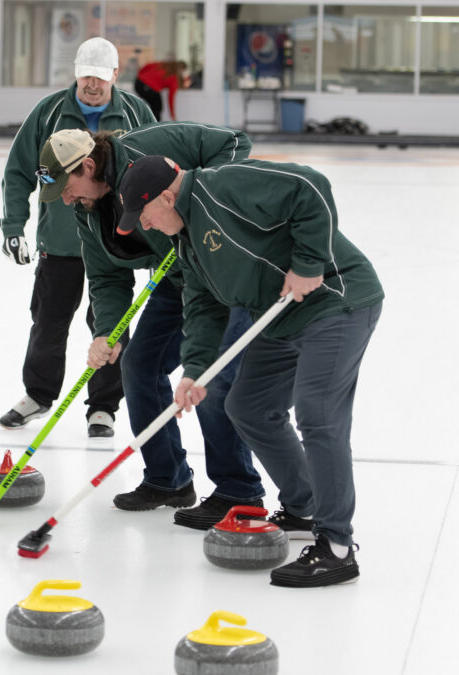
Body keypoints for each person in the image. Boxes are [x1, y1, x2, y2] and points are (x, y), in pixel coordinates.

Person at [117, 155, 383, 587]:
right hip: (279, 316)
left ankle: (336, 545)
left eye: (145, 214)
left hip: (335, 301)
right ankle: (304, 506)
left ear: (167, 196)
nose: (145, 225)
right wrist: (196, 370)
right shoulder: (184, 241)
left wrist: (310, 264)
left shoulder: (225, 186)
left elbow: (310, 186)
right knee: (249, 407)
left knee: (317, 414)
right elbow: (203, 307)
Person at [38, 124, 265, 528]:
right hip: (176, 283)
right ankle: (168, 480)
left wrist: (202, 206)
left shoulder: (152, 151)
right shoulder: (86, 211)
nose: (66, 198)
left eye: (67, 187)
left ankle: (238, 490)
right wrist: (107, 331)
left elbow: (234, 143)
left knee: (208, 379)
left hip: (220, 278)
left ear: (88, 166)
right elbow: (107, 277)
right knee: (138, 366)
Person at [0, 37, 154, 438]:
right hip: (61, 241)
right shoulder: (49, 112)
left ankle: (103, 407)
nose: (93, 85)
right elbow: (18, 171)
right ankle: (38, 395)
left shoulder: (135, 112)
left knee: (109, 323)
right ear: (76, 73)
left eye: (101, 78)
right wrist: (13, 226)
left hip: (112, 241)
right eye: (86, 76)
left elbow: (155, 173)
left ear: (116, 75)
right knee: (48, 321)